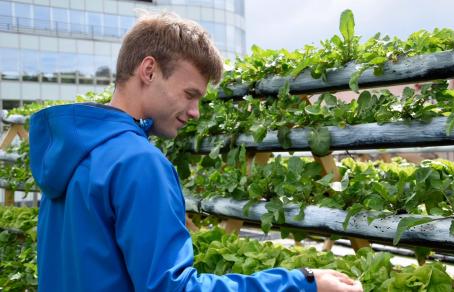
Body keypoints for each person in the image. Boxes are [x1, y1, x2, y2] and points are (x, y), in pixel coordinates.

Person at [29, 11, 363, 292]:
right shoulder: (138, 163)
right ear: (149, 71)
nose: (195, 112)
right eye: (190, 93)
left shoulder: (72, 153)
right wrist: (304, 282)